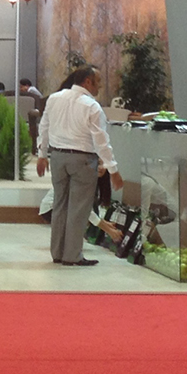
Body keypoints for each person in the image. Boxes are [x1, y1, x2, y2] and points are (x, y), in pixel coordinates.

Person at [35, 65, 123, 267]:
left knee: (60, 205)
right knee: (79, 208)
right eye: (98, 82)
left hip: (57, 158)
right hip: (83, 159)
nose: (100, 87)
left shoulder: (54, 98)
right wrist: (113, 169)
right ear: (87, 82)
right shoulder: (92, 106)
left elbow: (44, 127)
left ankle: (57, 253)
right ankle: (72, 255)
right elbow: (101, 141)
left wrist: (42, 155)